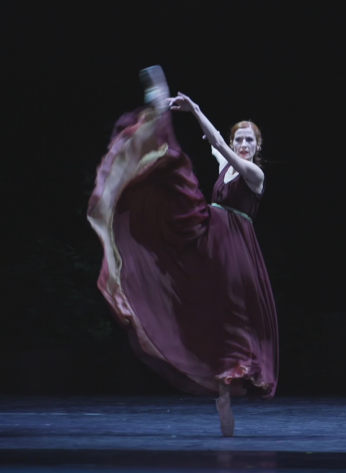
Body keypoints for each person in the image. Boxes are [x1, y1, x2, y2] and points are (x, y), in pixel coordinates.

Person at [87, 66, 279, 437]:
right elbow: (214, 142)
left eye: (249, 141)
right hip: (209, 234)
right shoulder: (226, 166)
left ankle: (225, 391)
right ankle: (157, 118)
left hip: (235, 249)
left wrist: (199, 113)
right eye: (239, 139)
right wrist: (194, 112)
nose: (242, 144)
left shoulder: (255, 175)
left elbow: (220, 146)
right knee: (175, 185)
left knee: (230, 316)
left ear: (257, 147)